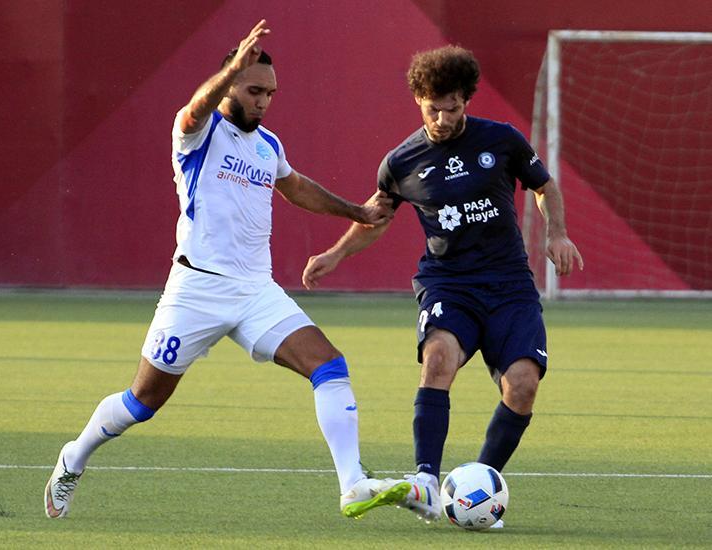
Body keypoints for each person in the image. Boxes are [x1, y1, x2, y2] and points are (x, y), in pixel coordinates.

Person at [44, 19, 410, 520]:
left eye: (270, 94)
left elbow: (295, 187)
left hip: (255, 291)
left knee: (329, 366)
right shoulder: (196, 133)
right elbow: (196, 108)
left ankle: (352, 485)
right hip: (196, 288)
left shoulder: (268, 146)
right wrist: (233, 68)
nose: (263, 102)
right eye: (254, 90)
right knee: (142, 402)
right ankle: (74, 456)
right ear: (231, 84)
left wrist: (358, 212)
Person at [302, 45, 583, 525]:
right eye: (433, 108)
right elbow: (376, 217)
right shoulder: (401, 161)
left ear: (466, 100)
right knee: (437, 361)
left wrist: (556, 233)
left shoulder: (502, 140)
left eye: (452, 108)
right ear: (418, 99)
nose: (442, 119)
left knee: (522, 387)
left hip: (509, 285)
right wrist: (335, 253)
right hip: (448, 284)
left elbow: (545, 187)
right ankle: (427, 483)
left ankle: (478, 487)